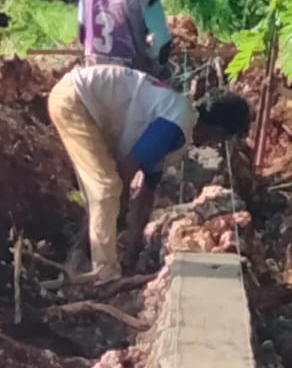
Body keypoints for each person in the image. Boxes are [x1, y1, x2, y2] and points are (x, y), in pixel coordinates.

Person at [47, 64, 252, 282]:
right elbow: (128, 169)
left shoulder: (179, 130)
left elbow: (147, 192)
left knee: (105, 196)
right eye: (219, 139)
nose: (211, 145)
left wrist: (133, 250)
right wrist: (121, 212)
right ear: (218, 129)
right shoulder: (177, 121)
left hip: (83, 103)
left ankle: (78, 260)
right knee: (108, 188)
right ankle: (104, 272)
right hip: (75, 99)